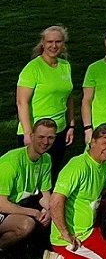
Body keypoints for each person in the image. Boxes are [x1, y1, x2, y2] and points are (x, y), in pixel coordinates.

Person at [42, 125, 106, 259]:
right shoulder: (77, 166)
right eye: (105, 143)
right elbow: (55, 201)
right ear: (92, 142)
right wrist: (65, 234)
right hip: (75, 235)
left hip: (90, 229)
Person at [18, 25, 76, 173]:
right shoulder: (32, 69)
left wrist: (71, 125)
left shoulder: (65, 66)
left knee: (52, 173)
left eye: (58, 42)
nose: (54, 46)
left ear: (63, 44)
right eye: (50, 42)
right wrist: (27, 133)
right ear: (43, 43)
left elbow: (69, 97)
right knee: (31, 177)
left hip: (59, 131)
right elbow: (21, 102)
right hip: (37, 133)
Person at [0, 119, 55, 255]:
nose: (45, 142)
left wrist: (49, 211)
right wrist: (35, 213)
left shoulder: (46, 159)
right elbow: (1, 204)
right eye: (41, 137)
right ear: (31, 136)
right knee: (26, 224)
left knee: (57, 209)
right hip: (3, 207)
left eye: (50, 138)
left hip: (13, 206)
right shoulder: (11, 163)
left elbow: (45, 193)